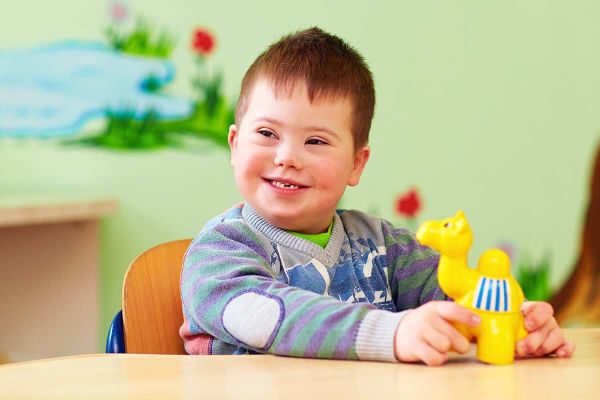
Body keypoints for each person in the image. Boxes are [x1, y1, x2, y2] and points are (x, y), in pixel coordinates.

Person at [179, 27, 575, 365]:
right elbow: (269, 316)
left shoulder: (383, 246)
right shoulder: (219, 253)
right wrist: (390, 333)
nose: (287, 158)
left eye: (315, 140)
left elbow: (455, 302)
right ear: (234, 145)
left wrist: (510, 326)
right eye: (267, 134)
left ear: (356, 163)